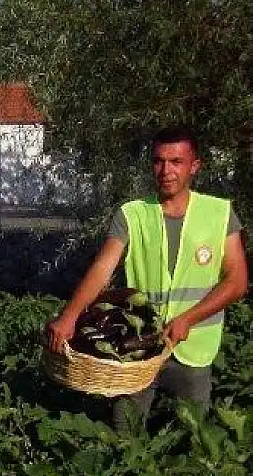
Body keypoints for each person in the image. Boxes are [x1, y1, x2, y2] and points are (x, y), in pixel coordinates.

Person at [46, 127, 248, 431]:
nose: (166, 171)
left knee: (193, 438)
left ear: (195, 166)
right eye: (159, 161)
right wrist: (69, 317)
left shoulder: (219, 213)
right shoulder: (132, 214)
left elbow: (237, 282)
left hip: (194, 348)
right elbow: (102, 269)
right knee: (124, 432)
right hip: (137, 348)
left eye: (176, 162)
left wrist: (189, 319)